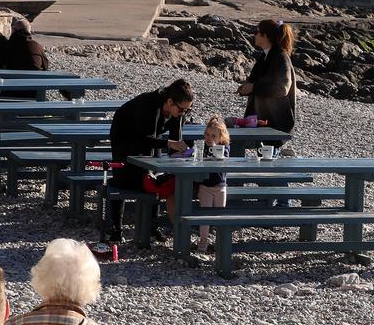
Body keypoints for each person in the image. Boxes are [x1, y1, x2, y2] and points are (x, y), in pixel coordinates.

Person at [109, 78, 194, 199]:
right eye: (182, 110)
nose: (184, 113)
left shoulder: (179, 111)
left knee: (156, 172)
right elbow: (144, 140)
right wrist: (170, 144)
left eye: (188, 110)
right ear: (170, 102)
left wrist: (183, 153)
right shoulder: (150, 104)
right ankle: (116, 215)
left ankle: (153, 213)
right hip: (125, 134)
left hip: (151, 133)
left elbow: (176, 140)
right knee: (126, 178)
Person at [237, 19, 298, 133]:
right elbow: (259, 82)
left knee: (268, 150)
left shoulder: (280, 57)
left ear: (265, 36)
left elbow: (281, 89)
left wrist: (254, 87)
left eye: (257, 32)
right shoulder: (266, 55)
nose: (254, 35)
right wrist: (246, 88)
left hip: (276, 120)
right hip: (265, 118)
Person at [192, 115, 231, 254]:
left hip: (220, 186)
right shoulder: (203, 148)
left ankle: (220, 242)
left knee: (220, 215)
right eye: (207, 135)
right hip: (206, 186)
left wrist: (215, 149)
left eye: (213, 136)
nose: (209, 138)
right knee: (205, 216)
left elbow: (224, 158)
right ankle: (203, 241)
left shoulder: (224, 148)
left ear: (221, 137)